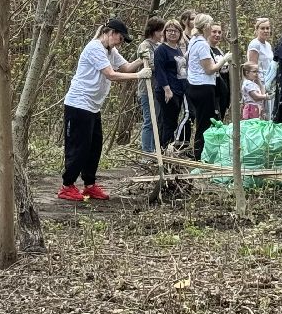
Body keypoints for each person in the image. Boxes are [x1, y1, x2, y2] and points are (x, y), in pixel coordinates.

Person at [59, 18, 148, 201]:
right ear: (110, 33)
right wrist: (139, 76)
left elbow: (126, 67)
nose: (120, 42)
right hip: (78, 104)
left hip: (93, 106)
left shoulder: (110, 51)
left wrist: (142, 59)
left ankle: (89, 185)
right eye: (120, 38)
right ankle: (67, 185)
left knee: (94, 147)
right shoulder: (94, 48)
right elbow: (111, 74)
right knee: (79, 147)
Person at [185, 13, 229, 159]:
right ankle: (199, 155)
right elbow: (209, 69)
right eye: (211, 25)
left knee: (202, 121)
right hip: (203, 87)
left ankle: (202, 153)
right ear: (206, 27)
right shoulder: (202, 44)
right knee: (204, 123)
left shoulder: (194, 40)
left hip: (194, 85)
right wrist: (224, 60)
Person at [152, 18, 187, 151]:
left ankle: (169, 148)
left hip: (178, 90)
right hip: (167, 91)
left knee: (173, 121)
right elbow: (160, 71)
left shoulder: (178, 50)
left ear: (180, 33)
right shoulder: (161, 50)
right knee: (167, 121)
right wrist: (167, 89)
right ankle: (163, 148)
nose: (172, 33)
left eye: (175, 31)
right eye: (169, 30)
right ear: (165, 33)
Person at [135, 18, 165, 153]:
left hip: (157, 88)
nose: (162, 34)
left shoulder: (158, 45)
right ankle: (146, 151)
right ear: (154, 31)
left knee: (157, 120)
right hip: (147, 88)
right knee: (149, 120)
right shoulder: (145, 45)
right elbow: (151, 64)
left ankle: (154, 149)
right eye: (160, 31)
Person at [247, 17, 276, 119]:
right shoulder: (255, 44)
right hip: (260, 82)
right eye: (262, 28)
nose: (266, 31)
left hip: (269, 80)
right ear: (257, 30)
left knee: (270, 113)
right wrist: (259, 87)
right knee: (261, 113)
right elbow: (252, 68)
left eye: (267, 28)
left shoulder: (268, 45)